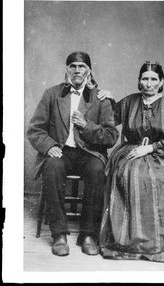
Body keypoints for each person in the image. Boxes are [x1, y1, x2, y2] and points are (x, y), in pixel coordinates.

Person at [97, 61, 164, 262]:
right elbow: (109, 121)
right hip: (131, 150)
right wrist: (109, 100)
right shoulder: (129, 102)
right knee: (133, 175)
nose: (149, 83)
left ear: (161, 81)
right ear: (139, 81)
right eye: (145, 79)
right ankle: (132, 240)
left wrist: (152, 148)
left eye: (153, 79)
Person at [27, 51, 119, 257]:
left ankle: (88, 235)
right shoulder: (52, 94)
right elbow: (35, 129)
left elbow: (112, 136)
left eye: (82, 67)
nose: (77, 70)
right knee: (52, 166)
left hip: (88, 153)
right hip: (61, 152)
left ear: (89, 71)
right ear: (66, 70)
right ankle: (59, 234)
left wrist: (87, 126)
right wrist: (49, 145)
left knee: (97, 170)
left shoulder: (100, 98)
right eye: (73, 66)